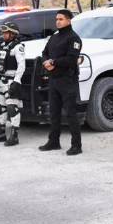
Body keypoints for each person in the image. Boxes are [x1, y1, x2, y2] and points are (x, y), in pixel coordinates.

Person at [38, 10, 84, 156]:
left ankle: (76, 145)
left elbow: (71, 59)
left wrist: (54, 62)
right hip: (53, 79)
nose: (57, 21)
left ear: (69, 20)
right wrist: (46, 61)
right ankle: (54, 141)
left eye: (61, 19)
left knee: (71, 113)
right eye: (56, 19)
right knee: (54, 112)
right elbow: (44, 52)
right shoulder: (54, 37)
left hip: (67, 80)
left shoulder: (74, 38)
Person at [0, 22, 26, 146]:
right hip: (0, 81)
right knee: (0, 107)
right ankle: (2, 132)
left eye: (6, 33)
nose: (4, 35)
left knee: (12, 108)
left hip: (11, 81)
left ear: (13, 34)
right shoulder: (1, 46)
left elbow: (21, 65)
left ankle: (14, 136)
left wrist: (16, 81)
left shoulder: (17, 47)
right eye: (3, 33)